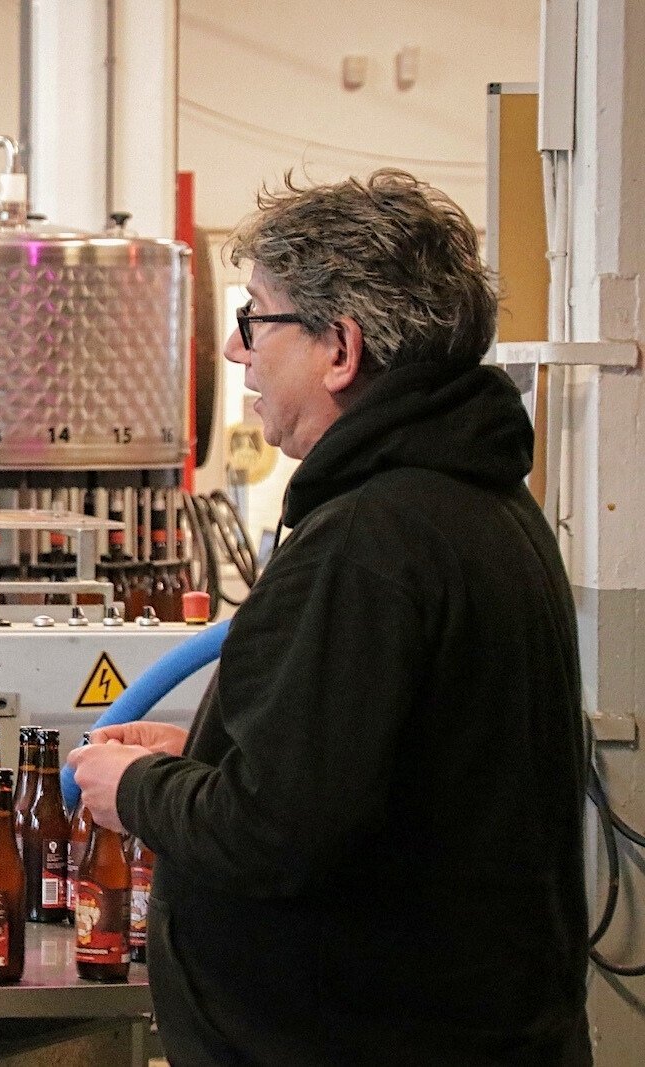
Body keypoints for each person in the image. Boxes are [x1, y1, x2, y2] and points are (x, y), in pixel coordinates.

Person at [68, 171, 590, 1065]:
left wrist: (138, 793)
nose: (237, 355)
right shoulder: (481, 505)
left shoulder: (371, 539)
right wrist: (205, 755)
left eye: (255, 320)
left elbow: (277, 834)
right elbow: (375, 780)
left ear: (339, 349)